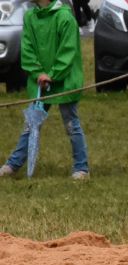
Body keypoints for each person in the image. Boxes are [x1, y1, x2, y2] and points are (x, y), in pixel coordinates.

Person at [0, 0, 89, 180]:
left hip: (64, 81)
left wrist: (53, 74)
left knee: (71, 124)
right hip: (40, 82)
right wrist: (38, 72)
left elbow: (68, 50)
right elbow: (27, 49)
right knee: (31, 125)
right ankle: (13, 164)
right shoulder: (30, 17)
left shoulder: (65, 18)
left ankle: (82, 167)